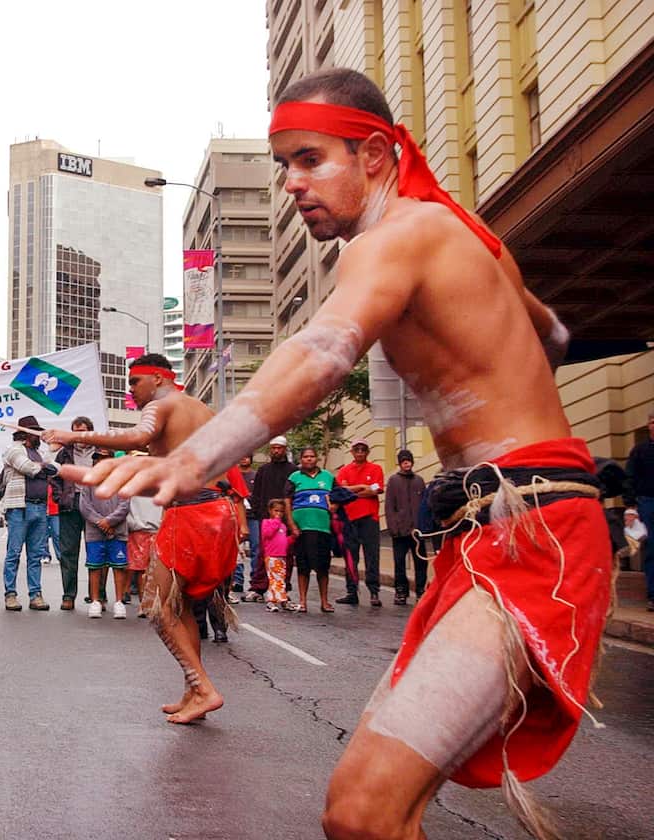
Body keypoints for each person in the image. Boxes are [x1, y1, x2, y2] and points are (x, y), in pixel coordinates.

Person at [73, 67, 611, 838]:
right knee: (381, 810)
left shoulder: (400, 236)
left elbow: (321, 350)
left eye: (309, 158)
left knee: (363, 813)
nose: (292, 182)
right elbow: (551, 333)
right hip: (501, 526)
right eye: (283, 164)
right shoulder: (468, 241)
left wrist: (195, 460)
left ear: (376, 156)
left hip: (532, 533)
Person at [46, 354, 241, 724]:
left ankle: (203, 688)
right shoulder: (200, 409)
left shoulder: (161, 404)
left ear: (156, 378)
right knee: (180, 606)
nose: (130, 391)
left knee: (157, 606)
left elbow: (137, 435)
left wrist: (74, 435)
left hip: (191, 515)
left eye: (134, 382)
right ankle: (192, 689)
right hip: (217, 512)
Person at [0, 416, 57, 612]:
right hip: (19, 507)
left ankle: (35, 594)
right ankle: (10, 594)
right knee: (14, 553)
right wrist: (43, 468)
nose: (39, 435)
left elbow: (55, 469)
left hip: (40, 507)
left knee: (35, 555)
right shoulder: (13, 450)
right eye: (35, 431)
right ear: (25, 434)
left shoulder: (40, 452)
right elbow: (29, 469)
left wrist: (44, 467)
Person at [50, 417, 96, 610]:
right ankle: (68, 595)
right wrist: (60, 498)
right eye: (75, 431)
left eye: (83, 431)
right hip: (70, 504)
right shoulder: (64, 454)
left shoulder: (101, 452)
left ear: (90, 431)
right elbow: (54, 477)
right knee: (69, 551)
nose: (79, 435)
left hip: (95, 504)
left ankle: (97, 596)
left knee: (96, 551)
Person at [78, 450, 130, 619]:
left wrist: (110, 521)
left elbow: (124, 505)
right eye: (98, 458)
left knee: (119, 566)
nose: (101, 461)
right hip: (95, 531)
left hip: (117, 530)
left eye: (105, 458)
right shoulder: (88, 481)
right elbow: (84, 506)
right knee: (94, 567)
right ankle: (95, 601)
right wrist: (101, 522)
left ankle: (119, 602)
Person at [283, 447, 336, 614]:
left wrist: (335, 506)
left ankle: (324, 602)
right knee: (303, 566)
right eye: (306, 457)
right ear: (301, 459)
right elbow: (287, 501)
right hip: (301, 529)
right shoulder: (294, 477)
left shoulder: (328, 477)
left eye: (312, 456)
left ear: (317, 458)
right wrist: (291, 524)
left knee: (323, 567)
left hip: (323, 528)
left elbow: (339, 495)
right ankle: (303, 601)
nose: (309, 459)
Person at [334, 439, 385, 606]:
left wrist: (352, 490)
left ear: (367, 452)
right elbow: (341, 491)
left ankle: (374, 591)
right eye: (357, 449)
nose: (360, 452)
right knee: (351, 557)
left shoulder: (376, 469)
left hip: (369, 518)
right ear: (352, 452)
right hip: (349, 519)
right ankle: (352, 591)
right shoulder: (344, 470)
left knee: (372, 556)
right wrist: (364, 487)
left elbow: (376, 489)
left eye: (363, 450)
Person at [245, 436, 297, 602]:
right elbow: (257, 494)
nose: (276, 451)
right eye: (273, 448)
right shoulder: (263, 470)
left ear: (284, 449)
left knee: (285, 554)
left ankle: (282, 587)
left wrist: (289, 518)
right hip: (266, 520)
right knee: (263, 553)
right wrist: (258, 513)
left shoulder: (293, 471)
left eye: (279, 448)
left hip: (285, 519)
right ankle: (259, 588)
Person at [385, 449, 427, 604]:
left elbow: (424, 505)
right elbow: (389, 506)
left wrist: (424, 526)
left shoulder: (419, 481)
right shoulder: (393, 481)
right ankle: (401, 591)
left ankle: (421, 590)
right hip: (400, 530)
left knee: (421, 562)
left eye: (408, 460)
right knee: (399, 562)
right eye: (403, 461)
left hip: (417, 530)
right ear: (400, 463)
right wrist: (393, 527)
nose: (406, 463)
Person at [627, 411, 654, 611]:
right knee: (652, 547)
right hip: (648, 502)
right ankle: (653, 594)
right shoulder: (640, 451)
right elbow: (630, 479)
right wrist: (630, 506)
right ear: (649, 425)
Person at [125, 489, 162, 619]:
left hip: (159, 529)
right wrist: (131, 523)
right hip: (138, 529)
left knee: (156, 569)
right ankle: (144, 604)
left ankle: (154, 604)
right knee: (141, 570)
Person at [260, 500, 296, 612]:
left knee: (280, 579)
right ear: (270, 510)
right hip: (272, 556)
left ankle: (278, 600)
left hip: (281, 556)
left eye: (281, 511)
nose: (279, 513)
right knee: (276, 579)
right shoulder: (267, 522)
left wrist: (293, 538)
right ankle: (275, 600)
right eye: (276, 510)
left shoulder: (283, 526)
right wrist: (276, 521)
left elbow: (283, 541)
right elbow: (268, 534)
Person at [232, 454, 258, 592]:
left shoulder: (256, 475)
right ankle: (237, 580)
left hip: (253, 516)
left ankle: (255, 581)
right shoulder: (232, 473)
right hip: (235, 516)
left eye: (247, 456)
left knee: (256, 547)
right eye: (242, 456)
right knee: (237, 549)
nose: (243, 458)